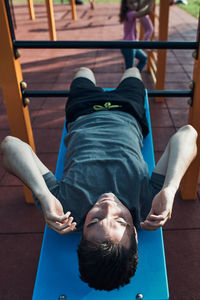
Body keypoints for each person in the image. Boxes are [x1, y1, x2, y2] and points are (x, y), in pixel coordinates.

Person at [0, 67, 197, 291]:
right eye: (121, 220)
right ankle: (132, 60)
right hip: (127, 109)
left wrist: (43, 194)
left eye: (94, 221)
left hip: (82, 109)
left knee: (83, 71)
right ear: (135, 232)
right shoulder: (147, 205)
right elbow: (188, 133)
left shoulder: (65, 209)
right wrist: (170, 188)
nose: (107, 206)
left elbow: (10, 146)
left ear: (80, 232)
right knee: (132, 72)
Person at [120, 0, 154, 71]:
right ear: (126, 5)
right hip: (128, 46)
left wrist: (147, 2)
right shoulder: (130, 14)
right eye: (131, 3)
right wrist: (152, 1)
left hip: (134, 44)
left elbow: (141, 5)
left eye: (135, 2)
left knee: (144, 58)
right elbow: (146, 12)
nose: (134, 4)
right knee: (129, 69)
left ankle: (135, 75)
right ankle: (130, 79)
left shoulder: (133, 11)